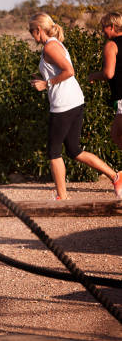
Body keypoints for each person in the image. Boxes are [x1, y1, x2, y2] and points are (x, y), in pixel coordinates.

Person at [28, 12, 122, 200]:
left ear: (38, 29)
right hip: (73, 101)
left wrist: (46, 84)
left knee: (53, 151)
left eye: (31, 31)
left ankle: (62, 196)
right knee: (73, 150)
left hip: (64, 104)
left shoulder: (50, 47)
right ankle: (115, 176)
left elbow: (69, 71)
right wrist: (45, 80)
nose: (31, 35)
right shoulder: (54, 44)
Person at [88, 12, 122, 149]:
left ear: (112, 26)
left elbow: (108, 73)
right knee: (116, 135)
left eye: (104, 27)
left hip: (121, 96)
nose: (102, 31)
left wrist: (93, 76)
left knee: (116, 135)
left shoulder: (111, 45)